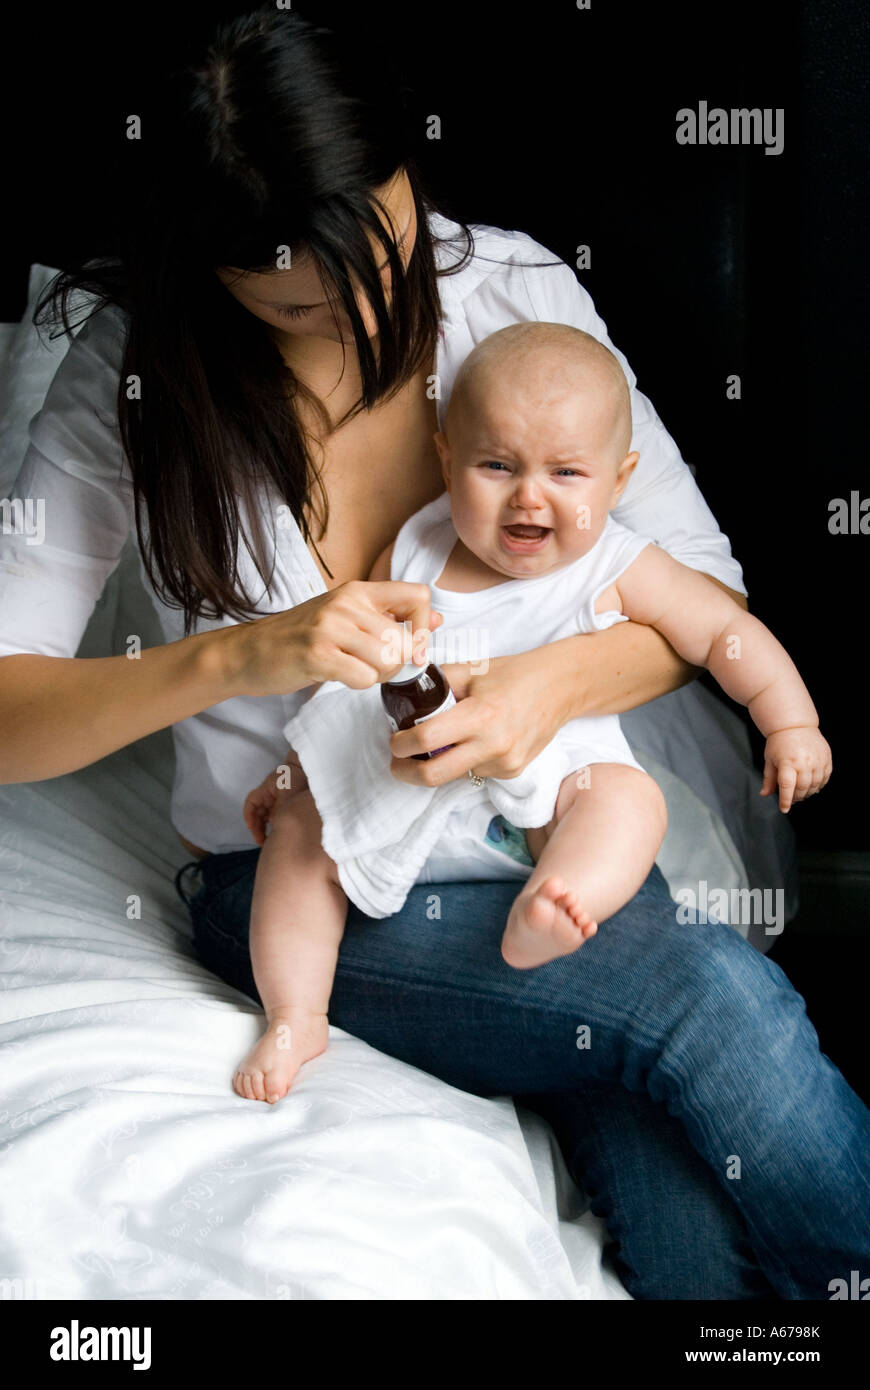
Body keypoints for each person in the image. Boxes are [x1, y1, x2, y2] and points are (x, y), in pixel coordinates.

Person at [0, 7, 865, 1299]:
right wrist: (242, 657)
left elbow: (698, 599)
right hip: (307, 871)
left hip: (516, 831)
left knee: (665, 1172)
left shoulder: (508, 296)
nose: (363, 322)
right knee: (704, 1001)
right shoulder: (136, 377)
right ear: (210, 264)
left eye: (385, 257)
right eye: (298, 301)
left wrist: (540, 689)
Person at [233, 321, 831, 1102]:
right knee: (301, 836)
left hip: (548, 798)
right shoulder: (413, 548)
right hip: (409, 784)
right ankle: (294, 1012)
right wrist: (294, 774)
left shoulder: (618, 563)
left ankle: (561, 898)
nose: (529, 495)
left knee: (625, 798)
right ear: (447, 460)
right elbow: (351, 686)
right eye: (496, 465)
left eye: (567, 472)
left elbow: (724, 632)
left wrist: (791, 722)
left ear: (617, 483)